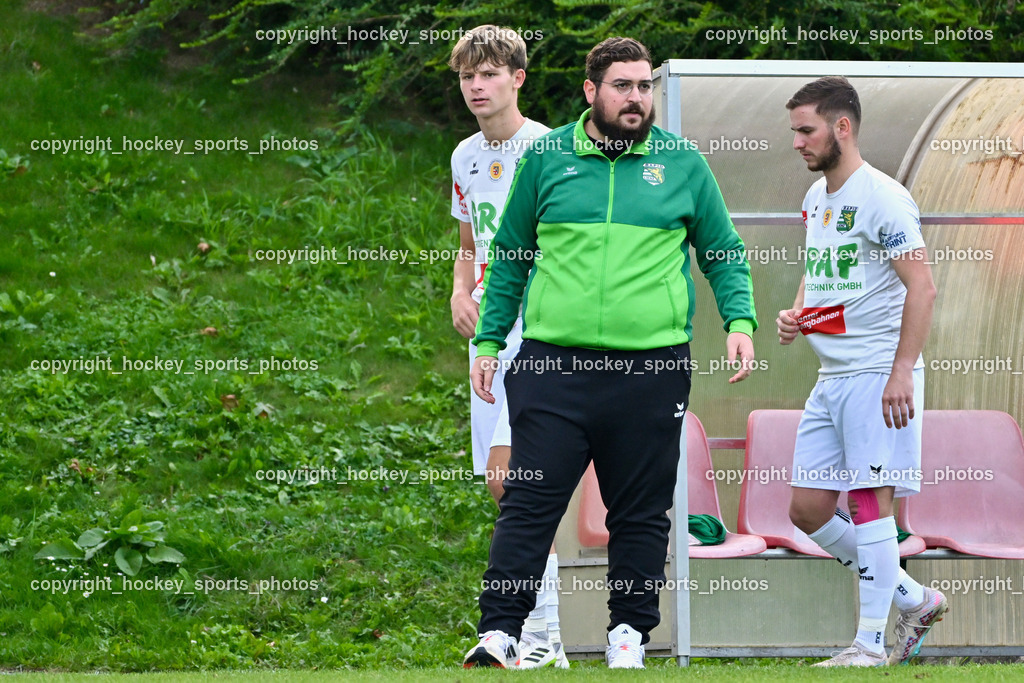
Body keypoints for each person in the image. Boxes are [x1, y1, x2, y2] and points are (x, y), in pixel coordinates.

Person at [461, 36, 757, 669]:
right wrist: (489, 340)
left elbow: (723, 250)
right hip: (552, 365)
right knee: (529, 499)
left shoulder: (682, 162)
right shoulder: (546, 159)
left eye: (645, 86)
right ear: (591, 92)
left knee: (641, 508)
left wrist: (740, 321)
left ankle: (629, 635)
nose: (637, 98)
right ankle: (500, 634)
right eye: (623, 86)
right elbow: (509, 256)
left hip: (650, 368)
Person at [777, 76, 946, 667]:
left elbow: (921, 287)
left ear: (841, 128)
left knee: (871, 503)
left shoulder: (884, 196)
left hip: (878, 373)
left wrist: (903, 371)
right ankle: (914, 598)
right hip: (832, 377)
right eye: (794, 130)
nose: (797, 142)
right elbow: (820, 268)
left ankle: (868, 645)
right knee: (806, 509)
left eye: (806, 130)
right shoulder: (815, 199)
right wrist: (799, 313)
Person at [447, 25, 566, 669]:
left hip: (541, 329)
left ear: (518, 78)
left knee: (518, 480)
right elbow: (469, 245)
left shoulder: (549, 148)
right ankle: (541, 635)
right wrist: (461, 293)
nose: (475, 85)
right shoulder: (465, 154)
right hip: (489, 333)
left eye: (489, 73)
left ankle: (539, 637)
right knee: (504, 485)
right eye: (467, 75)